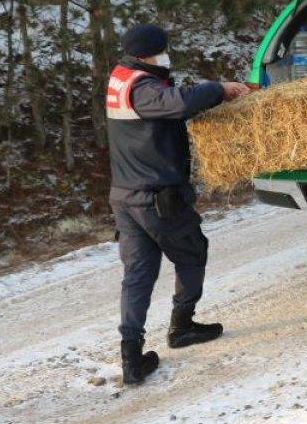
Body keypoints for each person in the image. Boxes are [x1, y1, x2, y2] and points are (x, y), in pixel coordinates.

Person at [106, 24, 248, 384]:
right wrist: (218, 89)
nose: (165, 56)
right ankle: (182, 326)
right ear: (147, 54)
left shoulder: (120, 78)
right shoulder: (141, 87)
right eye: (162, 50)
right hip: (156, 196)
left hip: (124, 194)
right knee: (192, 252)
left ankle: (132, 358)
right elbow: (179, 103)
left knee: (137, 275)